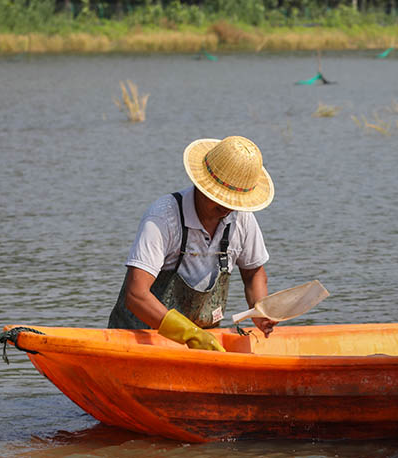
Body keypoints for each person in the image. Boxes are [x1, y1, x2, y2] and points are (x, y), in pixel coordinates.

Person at [109, 135, 277, 350]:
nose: (226, 208)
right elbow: (136, 295)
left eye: (232, 201)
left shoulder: (241, 219)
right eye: (219, 198)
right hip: (140, 342)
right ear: (201, 183)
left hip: (203, 346)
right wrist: (191, 335)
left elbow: (254, 274)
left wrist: (260, 310)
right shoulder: (164, 217)